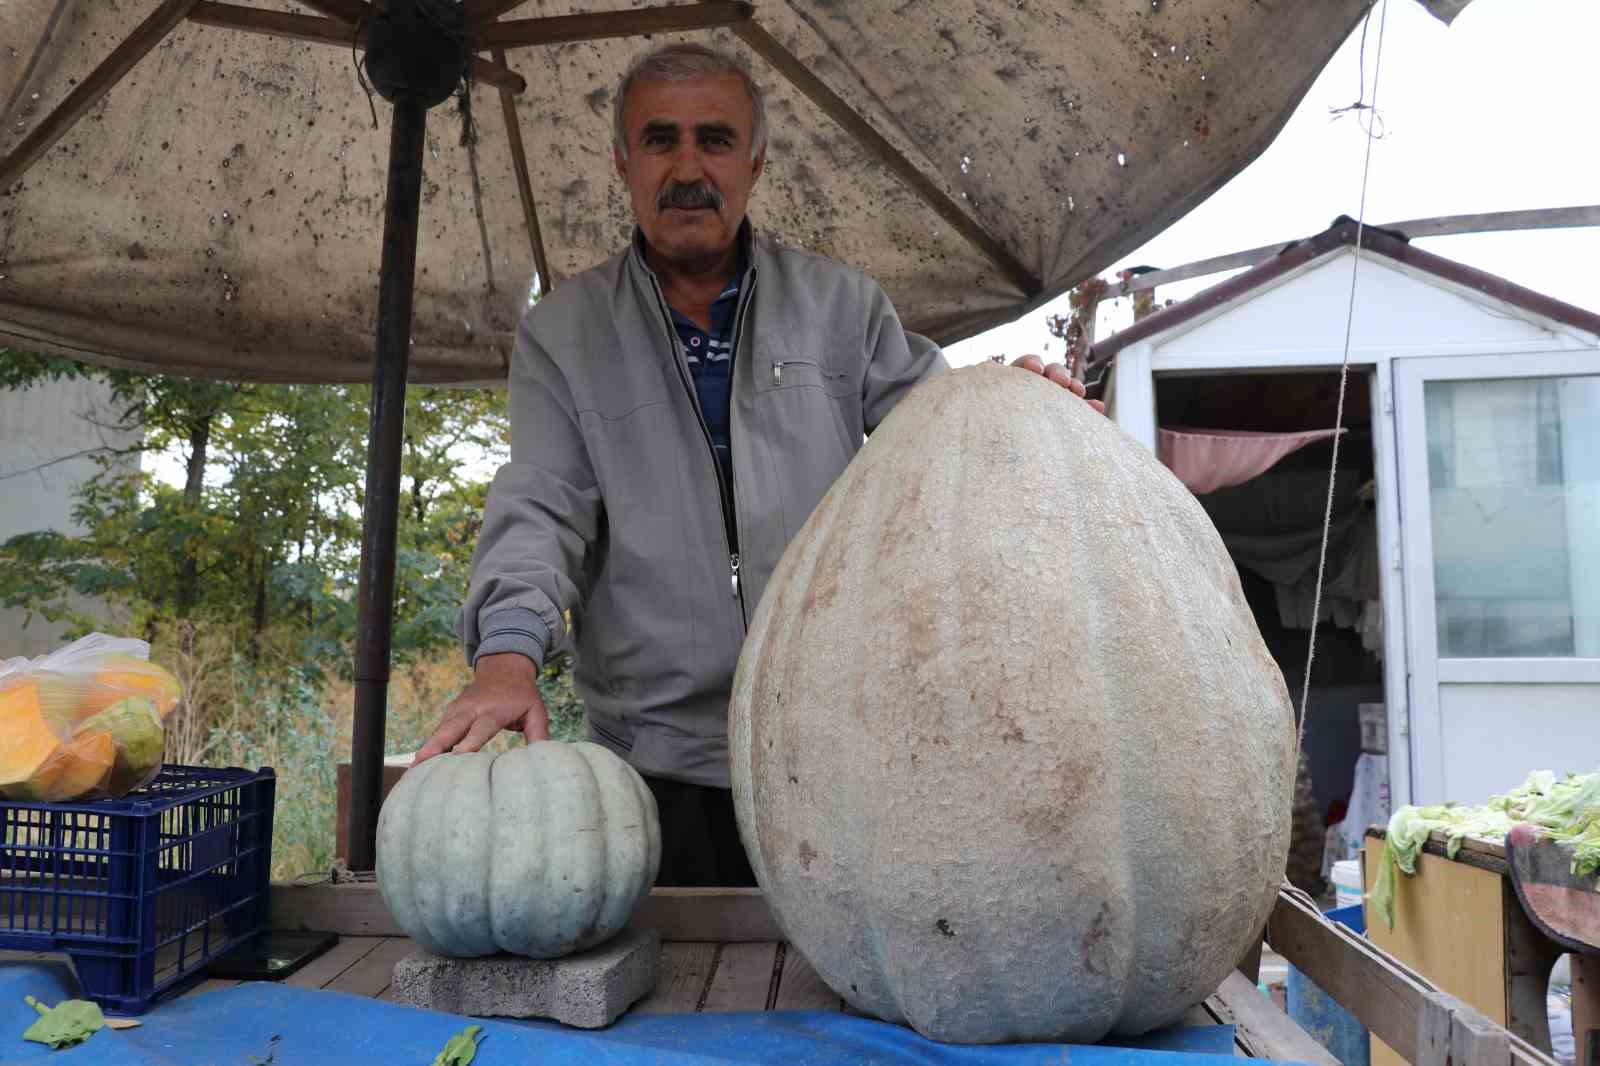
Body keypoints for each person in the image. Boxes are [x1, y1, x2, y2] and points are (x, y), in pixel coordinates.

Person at [416, 42, 1101, 885]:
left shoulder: (843, 309)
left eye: (715, 138)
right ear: (624, 162)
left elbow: (939, 436)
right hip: (650, 771)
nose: (689, 166)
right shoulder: (563, 336)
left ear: (755, 159)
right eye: (661, 141)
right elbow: (541, 507)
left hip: (833, 755)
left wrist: (1014, 408)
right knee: (672, 1001)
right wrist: (506, 659)